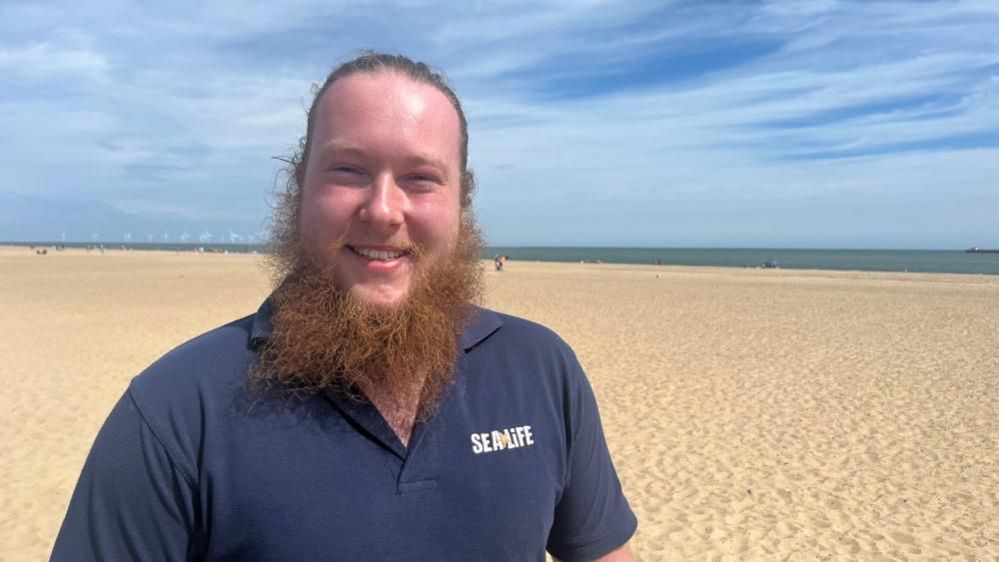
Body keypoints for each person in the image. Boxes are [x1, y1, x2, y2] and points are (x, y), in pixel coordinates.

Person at [51, 52, 636, 561]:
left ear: (463, 202)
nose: (383, 209)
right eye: (349, 170)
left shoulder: (542, 369)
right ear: (298, 187)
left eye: (421, 177)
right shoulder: (175, 411)